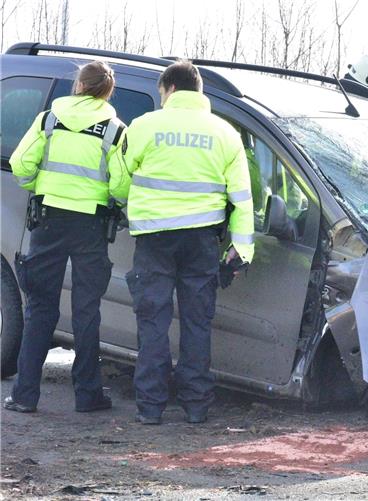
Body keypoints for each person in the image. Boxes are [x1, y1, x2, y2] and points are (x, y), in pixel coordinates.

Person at [113, 61, 254, 425]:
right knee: (196, 323)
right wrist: (242, 247)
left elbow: (119, 181)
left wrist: (128, 202)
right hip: (202, 241)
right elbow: (242, 197)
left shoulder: (143, 127)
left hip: (154, 239)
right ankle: (195, 405)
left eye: (161, 93)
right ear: (199, 90)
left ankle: (151, 406)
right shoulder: (225, 133)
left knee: (153, 322)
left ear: (170, 89)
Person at [5, 61, 126, 414]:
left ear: (79, 85)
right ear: (107, 90)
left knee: (40, 309)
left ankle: (25, 396)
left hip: (49, 220)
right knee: (87, 310)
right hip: (91, 225)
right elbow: (121, 186)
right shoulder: (115, 130)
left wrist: (40, 187)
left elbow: (21, 164)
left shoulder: (48, 120)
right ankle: (88, 396)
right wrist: (106, 198)